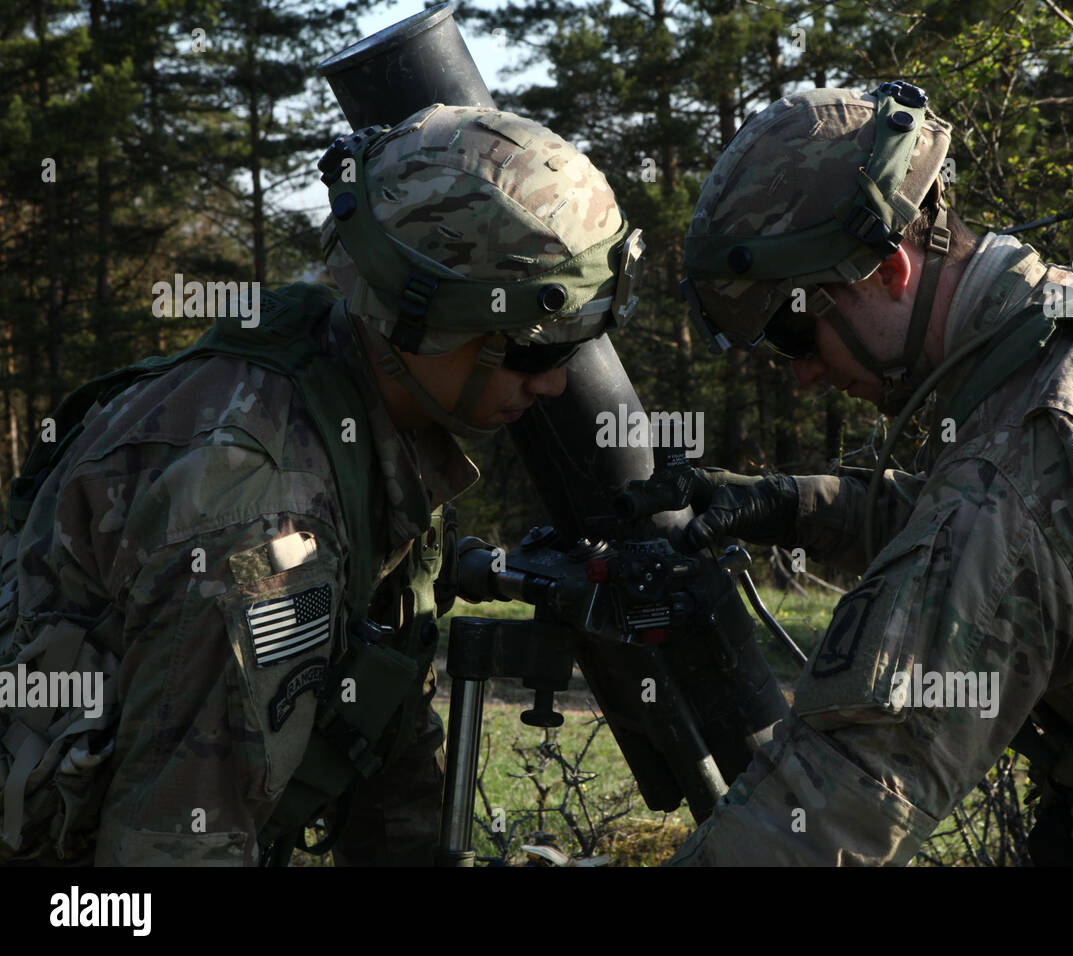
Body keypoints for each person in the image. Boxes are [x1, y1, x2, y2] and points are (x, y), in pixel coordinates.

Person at [671, 84, 1073, 865]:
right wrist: (787, 505)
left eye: (796, 330)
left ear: (888, 270)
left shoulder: (1030, 449)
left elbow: (847, 794)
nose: (799, 374)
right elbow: (1046, 543)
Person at [0, 103, 643, 865]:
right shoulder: (262, 525)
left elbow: (388, 738)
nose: (557, 385)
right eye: (537, 351)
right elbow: (176, 850)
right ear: (429, 320)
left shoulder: (365, 410)